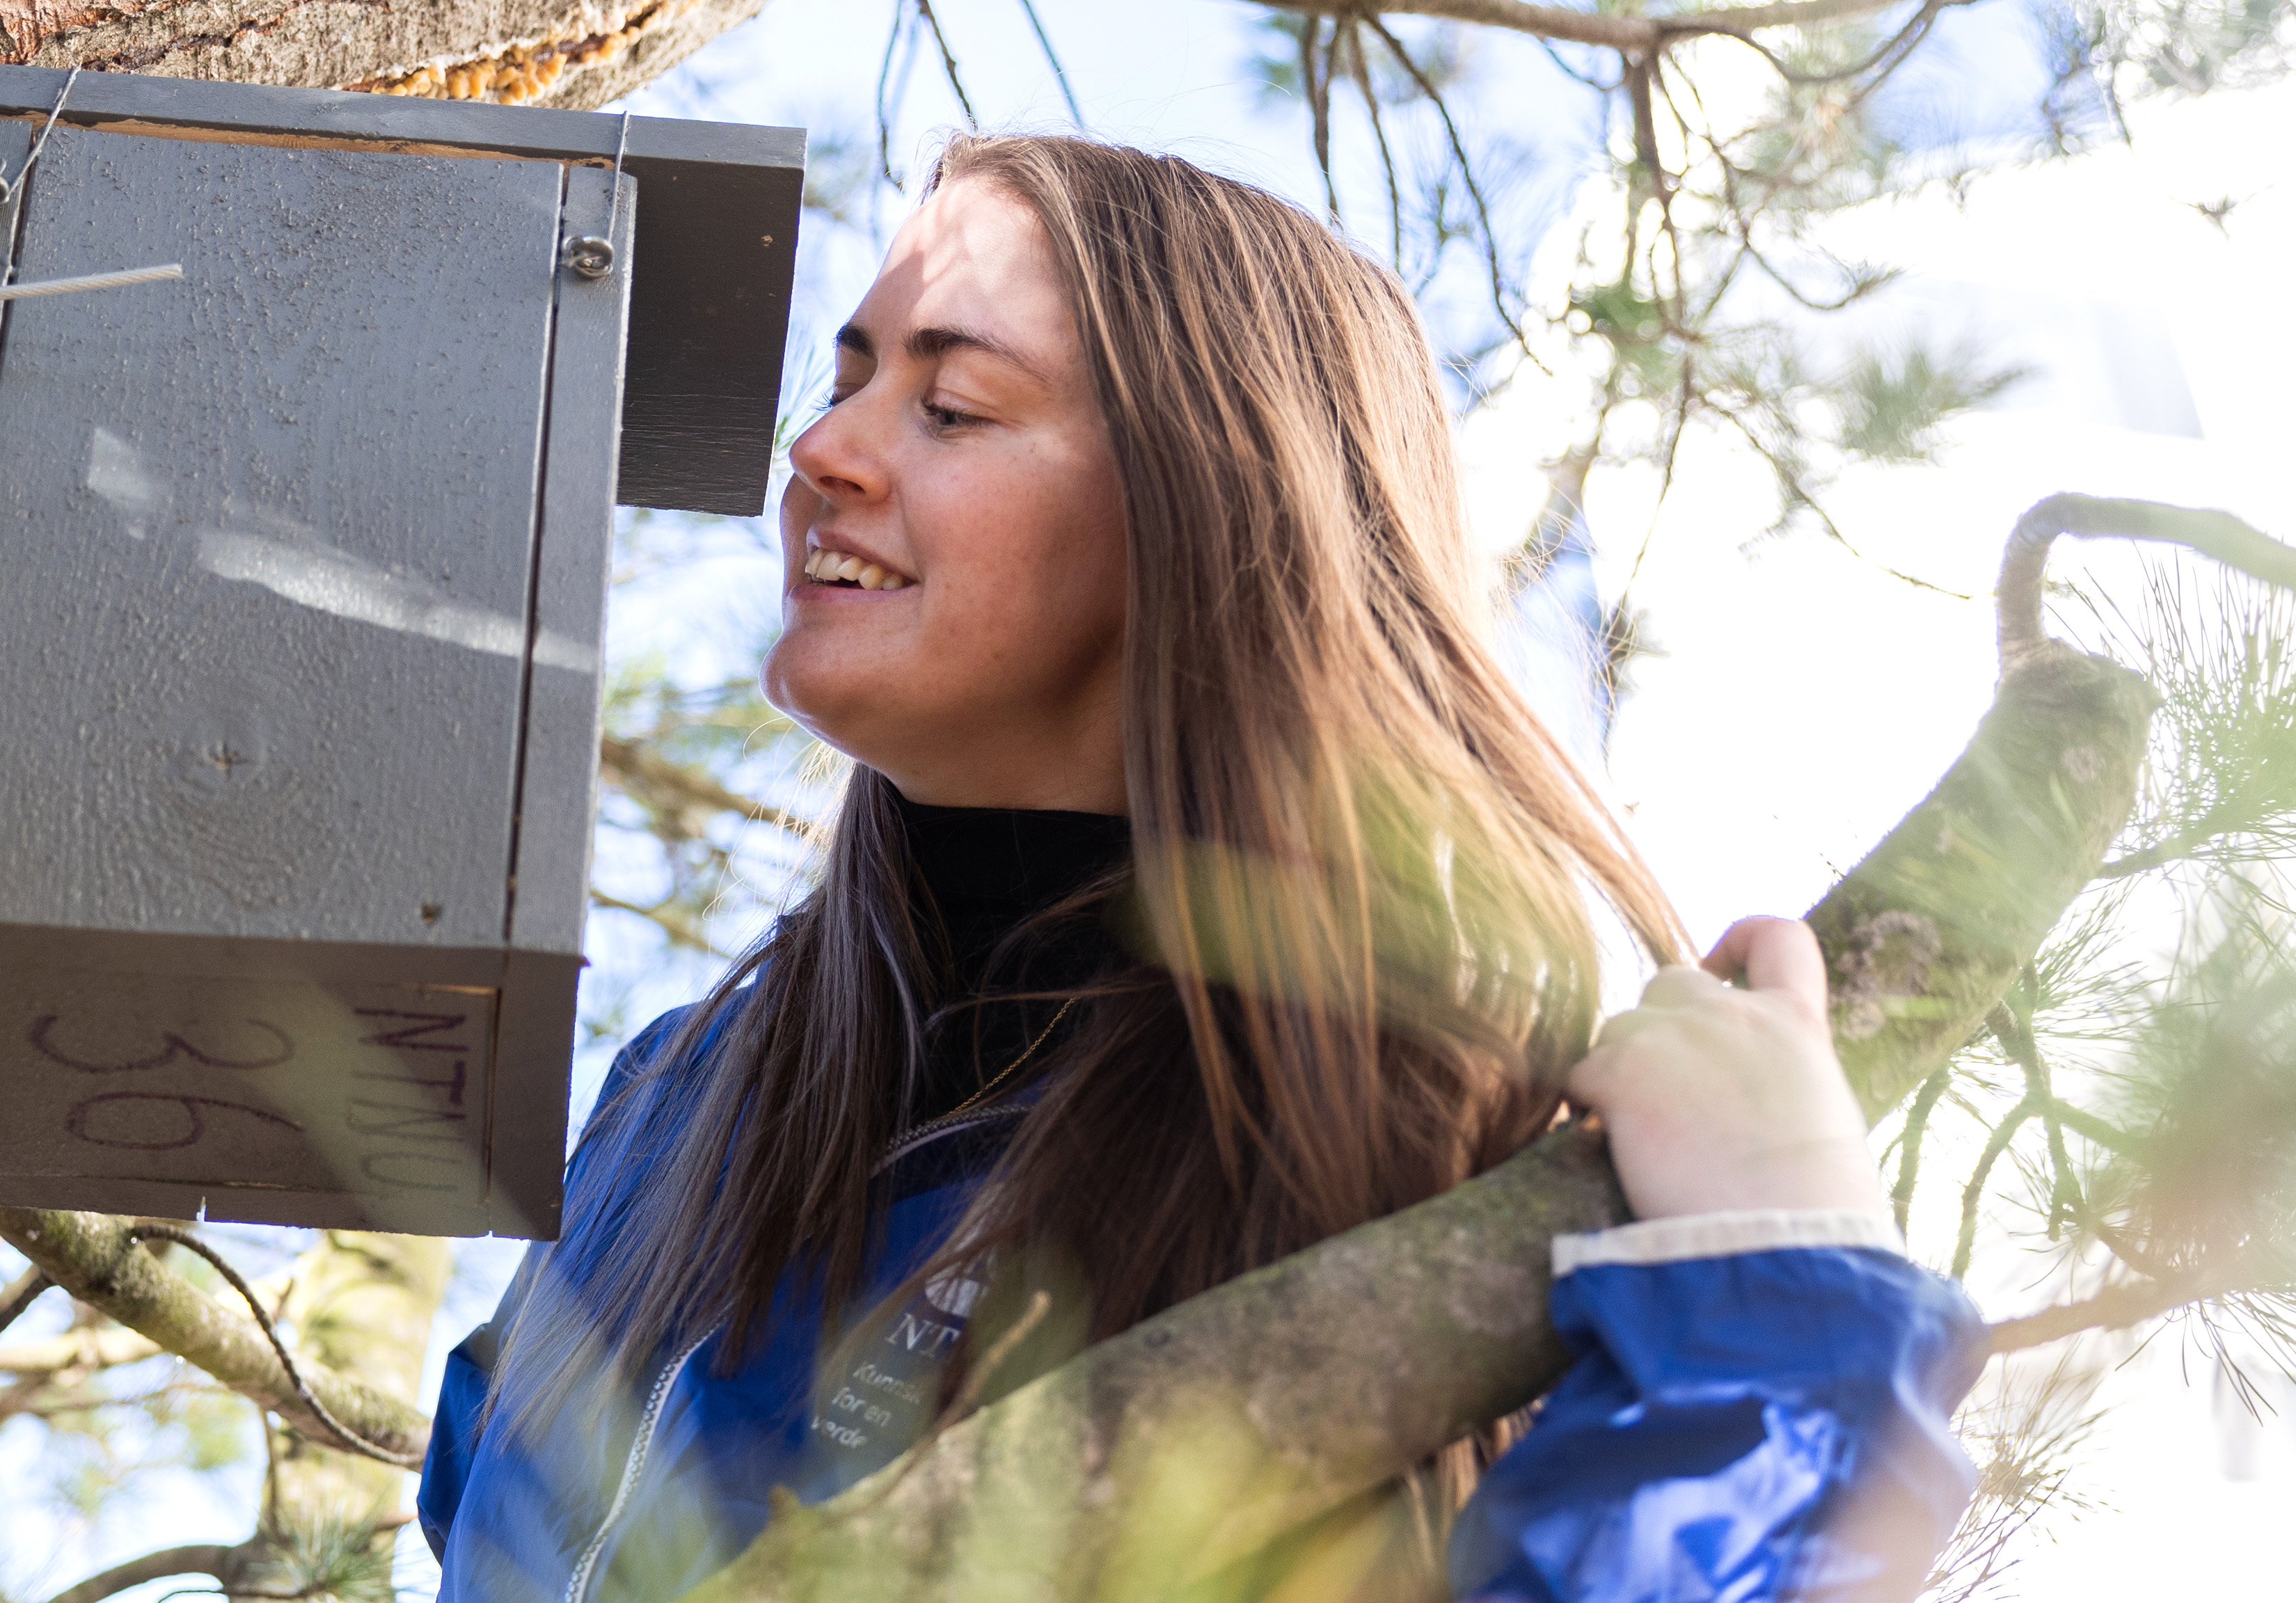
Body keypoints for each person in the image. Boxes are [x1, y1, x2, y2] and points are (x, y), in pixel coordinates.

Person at [420, 134, 1984, 1602]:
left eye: (949, 407)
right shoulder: (674, 1102)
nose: (820, 452)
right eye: (846, 384)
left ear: (1200, 503)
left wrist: (1785, 1312)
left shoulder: (1408, 1132)